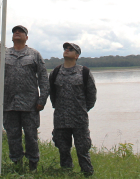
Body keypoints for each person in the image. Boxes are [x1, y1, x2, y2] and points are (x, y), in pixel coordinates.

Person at [0, 25, 49, 172]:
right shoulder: (4, 54)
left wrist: (42, 100)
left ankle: (33, 164)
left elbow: (43, 78)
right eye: (15, 32)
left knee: (31, 136)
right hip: (9, 104)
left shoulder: (34, 54)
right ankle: (17, 164)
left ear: (26, 37)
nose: (17, 33)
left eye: (21, 32)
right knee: (12, 136)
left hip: (30, 105)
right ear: (12, 37)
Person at [49, 42, 97, 177]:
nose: (67, 50)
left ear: (76, 56)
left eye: (70, 49)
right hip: (60, 119)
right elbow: (53, 94)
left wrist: (81, 109)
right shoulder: (55, 72)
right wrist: (59, 108)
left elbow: (91, 96)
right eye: (65, 48)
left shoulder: (85, 72)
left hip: (79, 119)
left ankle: (87, 174)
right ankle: (66, 174)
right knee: (63, 149)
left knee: (83, 150)